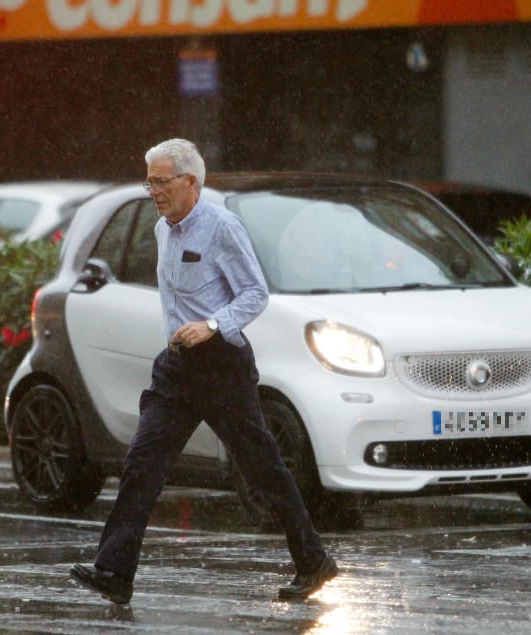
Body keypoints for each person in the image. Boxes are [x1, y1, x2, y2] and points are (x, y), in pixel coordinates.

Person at [70, 138, 337, 605]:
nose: (151, 190)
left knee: (263, 469)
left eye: (160, 181)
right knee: (142, 464)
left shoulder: (221, 227)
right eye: (148, 180)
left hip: (222, 367)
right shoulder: (161, 230)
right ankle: (114, 571)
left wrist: (212, 325)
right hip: (175, 369)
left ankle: (313, 561)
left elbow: (255, 293)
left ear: (189, 182)